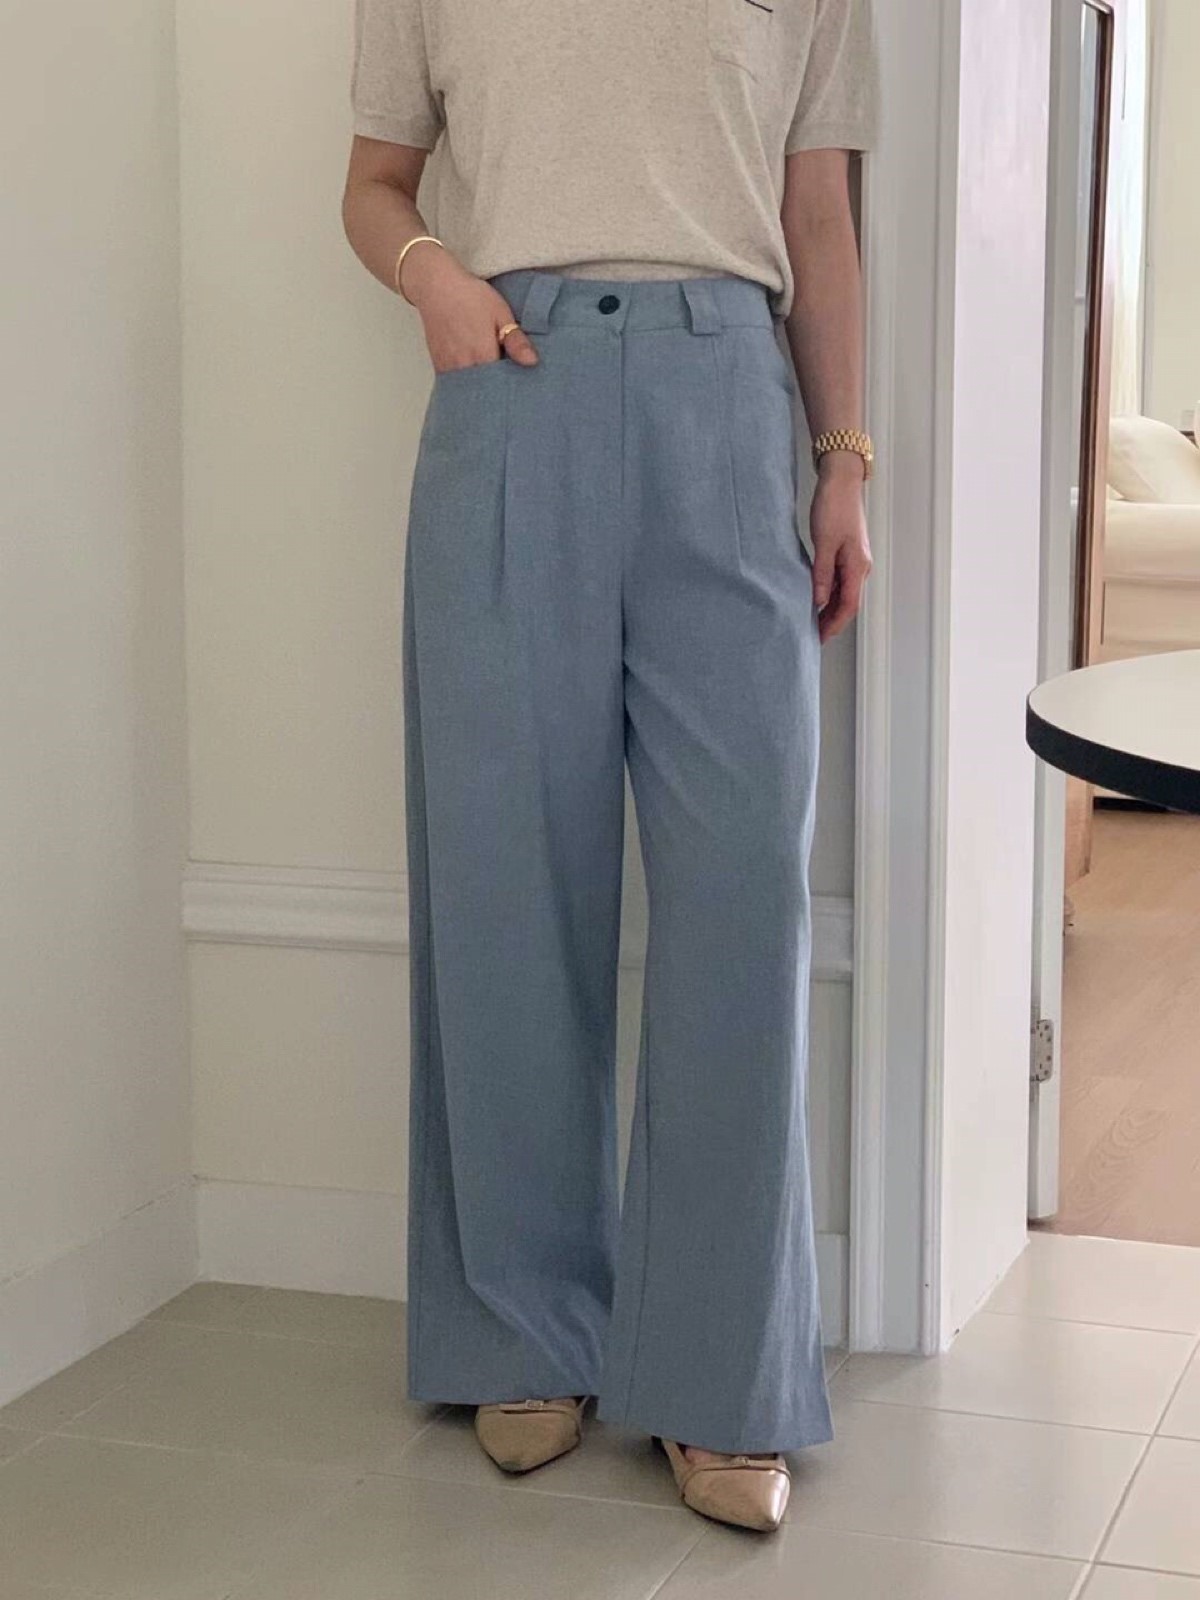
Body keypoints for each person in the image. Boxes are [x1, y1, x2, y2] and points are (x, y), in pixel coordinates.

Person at [342, 0, 879, 1535]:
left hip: (731, 405)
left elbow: (817, 216)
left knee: (742, 908)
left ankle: (720, 1375)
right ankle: (523, 1334)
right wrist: (431, 273)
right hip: (512, 389)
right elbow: (373, 184)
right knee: (508, 889)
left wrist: (844, 463)